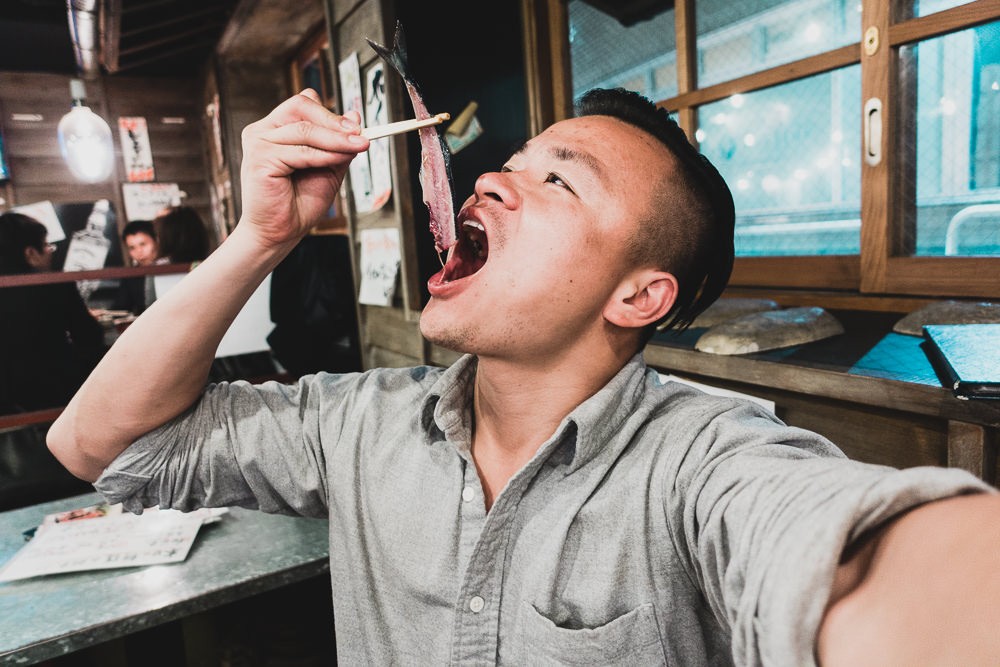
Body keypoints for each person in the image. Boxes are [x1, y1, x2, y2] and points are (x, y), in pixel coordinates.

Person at [47, 87, 1000, 665]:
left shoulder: (705, 457)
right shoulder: (356, 423)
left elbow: (865, 557)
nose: (489, 181)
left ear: (639, 294)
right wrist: (261, 236)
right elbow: (97, 444)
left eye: (559, 180)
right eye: (506, 164)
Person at [0, 212, 107, 413]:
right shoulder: (54, 285)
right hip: (56, 394)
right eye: (47, 245)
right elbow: (90, 337)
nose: (50, 251)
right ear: (31, 253)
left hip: (6, 404)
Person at [112, 219, 158, 315]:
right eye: (132, 248)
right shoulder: (131, 276)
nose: (139, 252)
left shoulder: (171, 268)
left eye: (143, 244)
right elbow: (120, 309)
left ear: (156, 241)